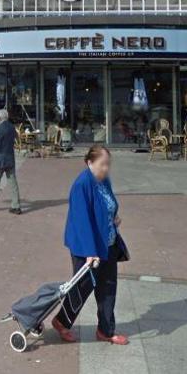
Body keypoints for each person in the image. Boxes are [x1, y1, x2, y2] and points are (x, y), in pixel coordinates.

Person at [51, 144, 128, 346]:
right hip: (87, 248)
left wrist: (114, 217)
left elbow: (109, 204)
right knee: (82, 288)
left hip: (108, 244)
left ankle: (106, 330)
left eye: (108, 165)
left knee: (108, 288)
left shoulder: (104, 180)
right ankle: (61, 322)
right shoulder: (82, 184)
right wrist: (89, 252)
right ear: (89, 163)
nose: (105, 169)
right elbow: (81, 220)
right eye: (102, 165)